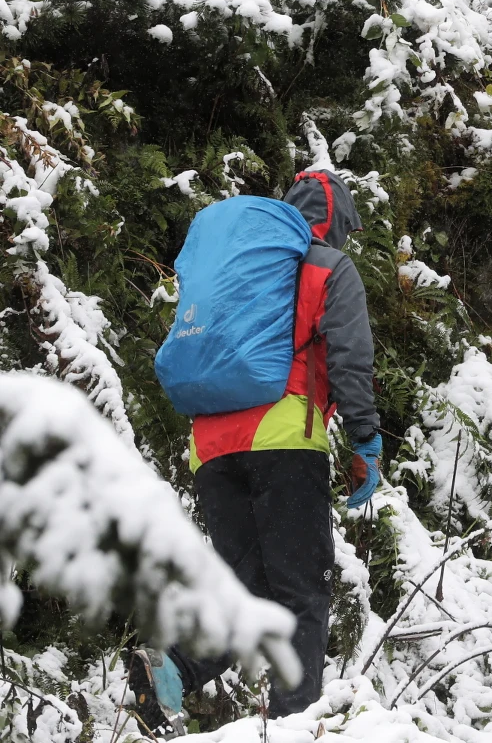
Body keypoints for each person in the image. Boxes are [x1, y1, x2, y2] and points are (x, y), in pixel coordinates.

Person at [131, 170, 382, 735]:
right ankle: (295, 726)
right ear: (336, 221)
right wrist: (365, 438)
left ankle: (173, 667)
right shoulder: (326, 265)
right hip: (283, 438)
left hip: (211, 447)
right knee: (302, 590)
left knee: (250, 588)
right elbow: (349, 356)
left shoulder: (244, 267)